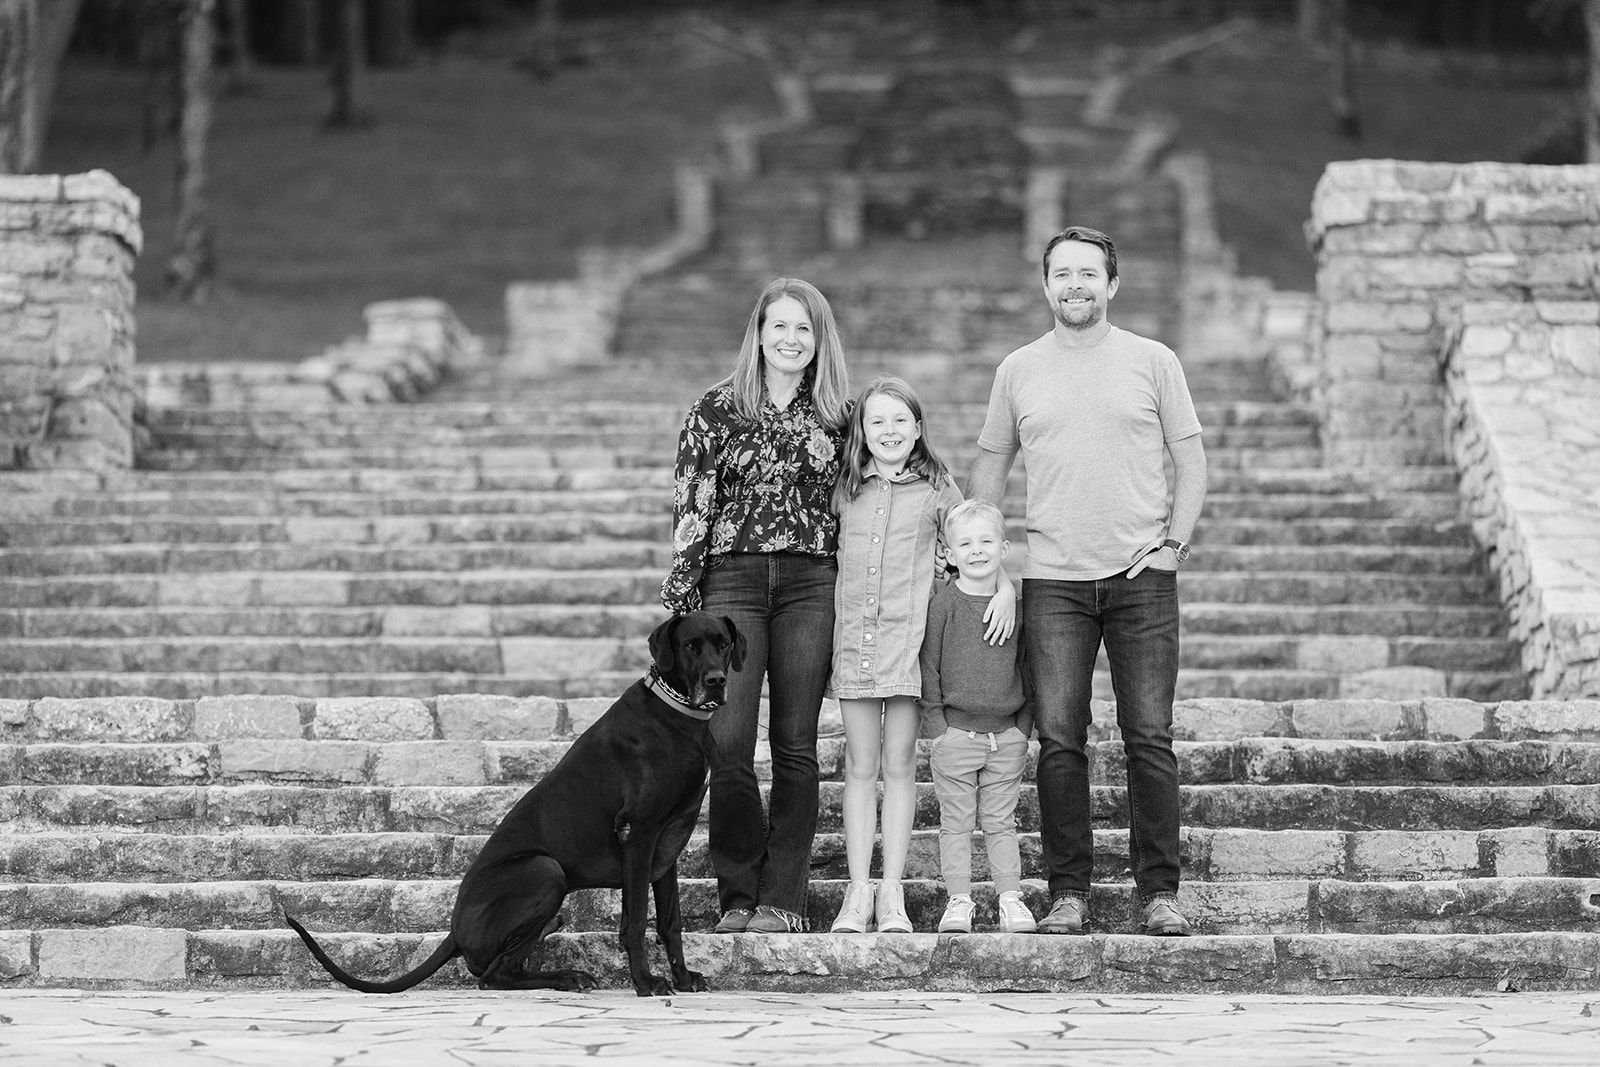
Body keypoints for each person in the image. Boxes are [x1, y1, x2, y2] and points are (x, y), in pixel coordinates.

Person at [967, 225, 1207, 937]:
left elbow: (1191, 461)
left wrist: (1174, 546)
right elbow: (988, 468)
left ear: (1112, 284)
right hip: (1052, 583)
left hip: (1142, 579)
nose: (1075, 285)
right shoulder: (1018, 369)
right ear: (1045, 286)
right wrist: (991, 563)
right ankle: (1069, 892)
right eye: (1062, 274)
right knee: (1061, 739)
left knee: (1150, 735)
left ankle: (1158, 892)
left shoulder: (1153, 361)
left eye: (1088, 273)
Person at [662, 277, 852, 935]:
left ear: (818, 339)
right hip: (732, 583)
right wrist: (684, 591)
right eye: (780, 326)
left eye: (804, 329)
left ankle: (783, 899)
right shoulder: (715, 408)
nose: (791, 339)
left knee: (796, 743)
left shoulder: (838, 413)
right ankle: (737, 894)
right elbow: (692, 503)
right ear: (759, 331)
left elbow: (873, 493)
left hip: (811, 584)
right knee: (730, 740)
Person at [827, 375, 1014, 935]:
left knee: (900, 765)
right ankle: (857, 893)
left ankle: (893, 894)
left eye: (900, 421)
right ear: (862, 429)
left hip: (911, 648)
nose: (889, 431)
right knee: (860, 768)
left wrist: (1004, 585)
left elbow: (974, 538)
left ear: (917, 429)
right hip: (856, 644)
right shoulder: (843, 486)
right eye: (877, 420)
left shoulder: (937, 487)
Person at [919, 500, 1036, 935]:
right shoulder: (943, 604)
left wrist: (1023, 726)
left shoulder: (1017, 608)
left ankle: (1010, 898)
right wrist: (937, 729)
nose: (977, 550)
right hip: (956, 736)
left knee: (1001, 822)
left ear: (1004, 549)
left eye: (987, 541)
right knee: (956, 824)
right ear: (949, 554)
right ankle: (959, 899)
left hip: (1006, 736)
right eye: (965, 543)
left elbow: (1029, 665)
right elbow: (928, 664)